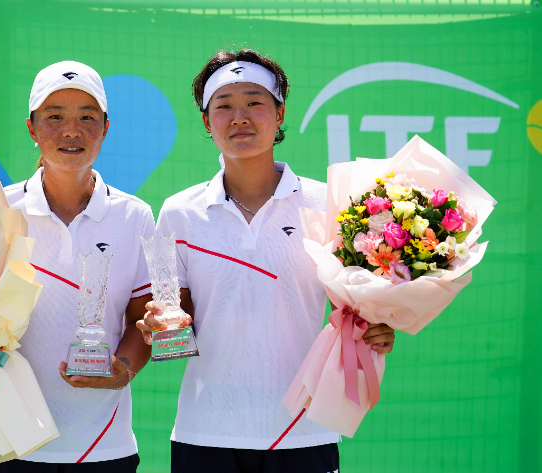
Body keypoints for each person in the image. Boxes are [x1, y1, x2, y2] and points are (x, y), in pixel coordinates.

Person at [137, 49, 396, 472]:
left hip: (305, 429)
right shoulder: (177, 211)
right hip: (206, 431)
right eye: (223, 106)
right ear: (207, 121)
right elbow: (173, 323)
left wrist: (377, 329)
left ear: (278, 115)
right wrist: (159, 328)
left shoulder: (331, 203)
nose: (240, 116)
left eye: (255, 102)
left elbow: (358, 311)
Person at [0, 60, 154, 472]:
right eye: (55, 117)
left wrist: (122, 370)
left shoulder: (135, 215)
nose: (71, 130)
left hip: (104, 445)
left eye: (87, 117)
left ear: (105, 128)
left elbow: (143, 316)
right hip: (5, 436)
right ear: (32, 129)